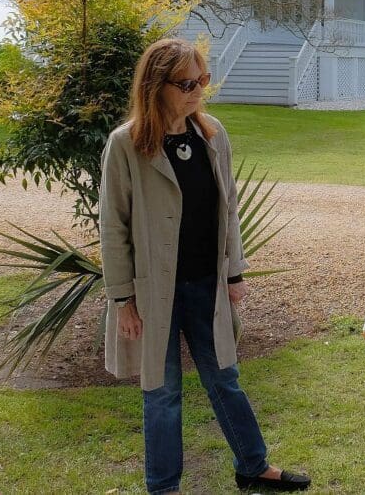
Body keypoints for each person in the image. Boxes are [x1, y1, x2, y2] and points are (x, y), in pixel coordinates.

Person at [100, 39, 310, 494]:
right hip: (154, 290)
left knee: (225, 379)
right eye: (187, 83)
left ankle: (252, 467)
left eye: (203, 80)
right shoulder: (126, 145)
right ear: (157, 86)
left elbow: (228, 208)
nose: (198, 91)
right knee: (162, 393)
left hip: (206, 284)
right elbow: (113, 227)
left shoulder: (212, 133)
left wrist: (234, 274)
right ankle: (164, 487)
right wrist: (123, 300)